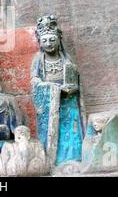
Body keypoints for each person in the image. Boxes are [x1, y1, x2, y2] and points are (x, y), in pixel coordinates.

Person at [31, 15, 86, 167]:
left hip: (68, 101)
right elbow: (34, 81)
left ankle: (73, 158)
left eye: (52, 40)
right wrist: (52, 88)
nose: (48, 44)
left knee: (71, 130)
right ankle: (52, 161)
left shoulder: (66, 58)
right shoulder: (38, 60)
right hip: (50, 102)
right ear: (40, 42)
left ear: (58, 39)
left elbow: (75, 78)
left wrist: (72, 86)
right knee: (52, 131)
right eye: (45, 40)